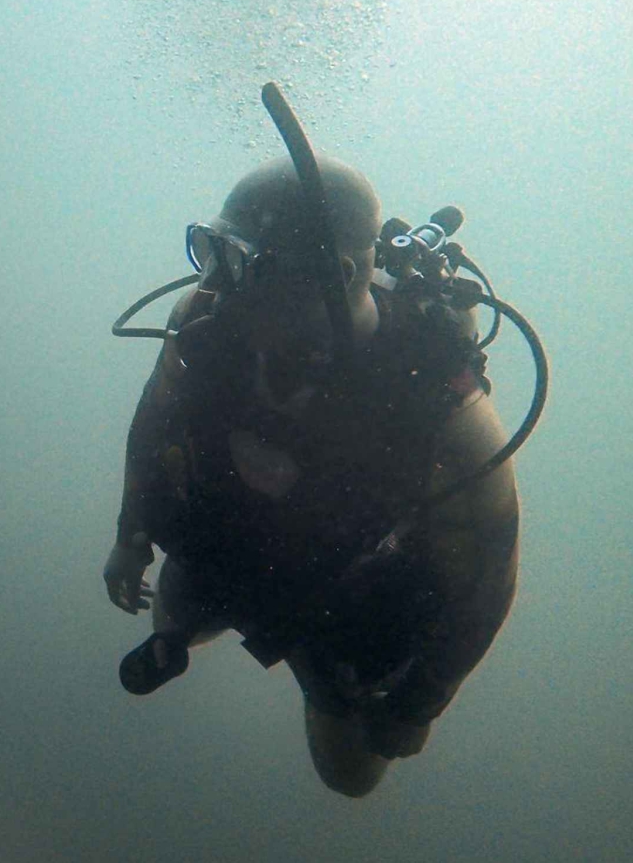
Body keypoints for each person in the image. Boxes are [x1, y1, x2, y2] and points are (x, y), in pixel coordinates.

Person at [104, 152, 521, 798]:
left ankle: (329, 700)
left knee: (349, 775)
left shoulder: (442, 407)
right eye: (211, 252)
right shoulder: (205, 322)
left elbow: (486, 577)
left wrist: (418, 704)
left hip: (333, 596)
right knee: (173, 614)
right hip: (232, 542)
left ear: (339, 273)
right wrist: (131, 532)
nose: (218, 284)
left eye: (244, 262)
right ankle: (182, 634)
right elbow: (154, 417)